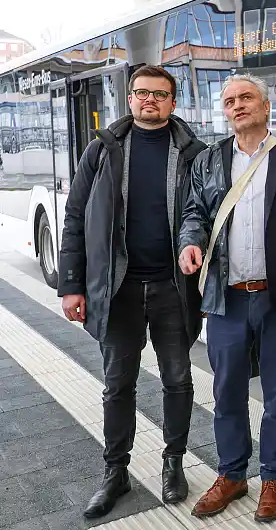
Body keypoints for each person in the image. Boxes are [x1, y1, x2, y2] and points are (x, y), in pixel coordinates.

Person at [178, 73, 276, 523]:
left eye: (246, 98)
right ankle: (231, 474)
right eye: (229, 101)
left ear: (266, 107)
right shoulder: (208, 162)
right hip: (226, 298)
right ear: (224, 112)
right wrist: (191, 242)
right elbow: (194, 213)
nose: (237, 106)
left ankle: (273, 477)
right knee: (225, 391)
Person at [57, 65, 207, 518]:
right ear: (129, 97)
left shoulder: (194, 153)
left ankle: (174, 461)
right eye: (142, 93)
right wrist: (71, 284)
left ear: (173, 102)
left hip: (172, 288)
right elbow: (76, 217)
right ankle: (115, 471)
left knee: (178, 380)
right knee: (117, 385)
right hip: (117, 290)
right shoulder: (101, 151)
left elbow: (206, 212)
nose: (149, 101)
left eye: (160, 94)